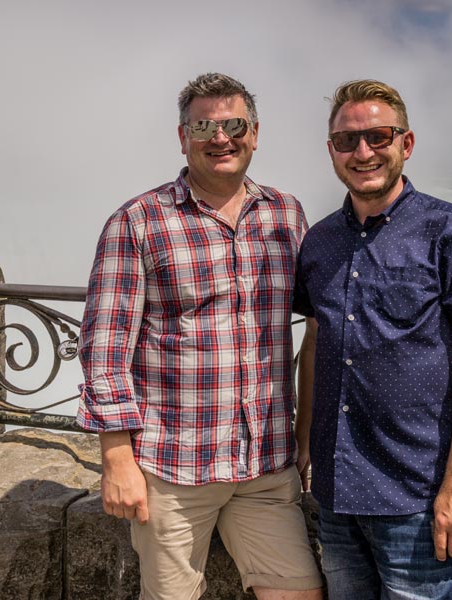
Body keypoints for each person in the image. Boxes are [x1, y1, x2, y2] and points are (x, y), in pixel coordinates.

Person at [78, 72, 323, 600]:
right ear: (183, 136)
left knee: (301, 592)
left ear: (254, 133)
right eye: (204, 125)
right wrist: (117, 459)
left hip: (265, 467)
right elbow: (104, 347)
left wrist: (307, 434)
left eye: (233, 124)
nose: (220, 137)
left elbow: (319, 321)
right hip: (173, 470)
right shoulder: (138, 222)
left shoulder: (286, 214)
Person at [293, 79, 452, 599]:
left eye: (378, 137)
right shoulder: (320, 239)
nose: (362, 152)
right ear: (332, 152)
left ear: (405, 144)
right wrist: (302, 445)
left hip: (416, 493)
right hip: (337, 489)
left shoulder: (451, 230)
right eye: (347, 141)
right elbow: (316, 344)